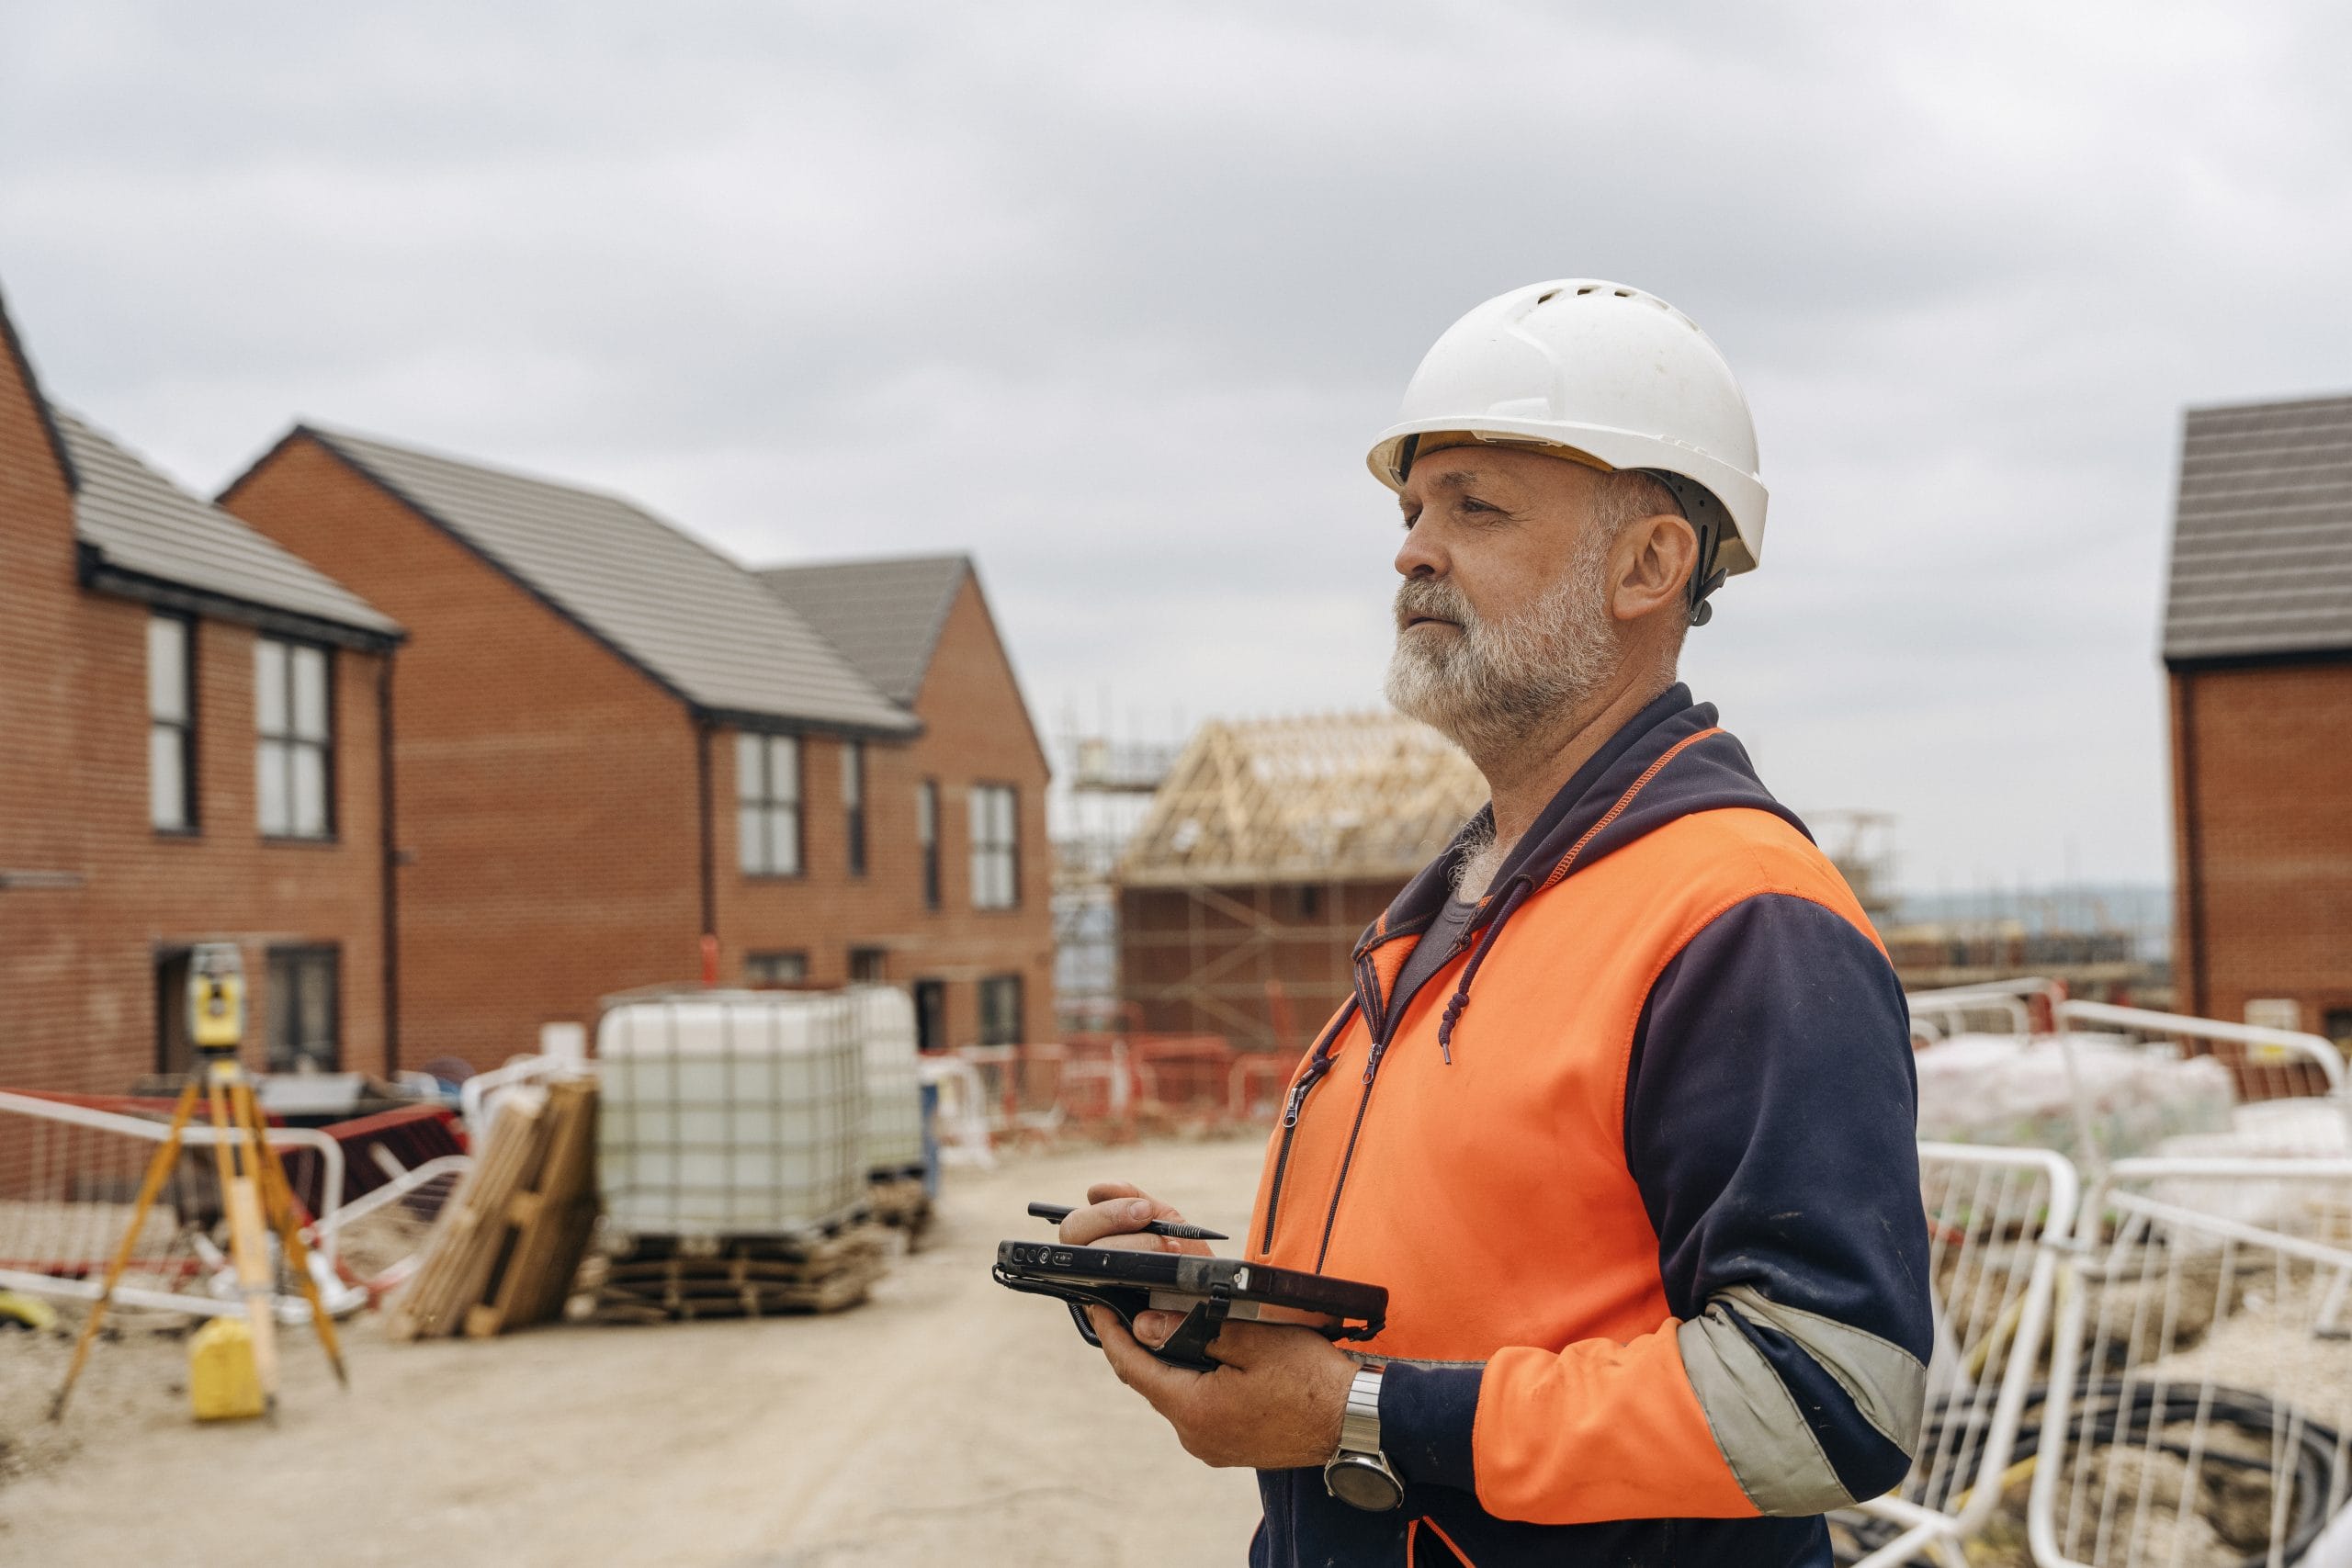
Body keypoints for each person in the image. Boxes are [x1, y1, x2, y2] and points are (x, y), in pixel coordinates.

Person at [1062, 279, 1932, 1566]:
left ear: (1650, 563)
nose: (1413, 548)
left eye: (1477, 507)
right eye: (1415, 509)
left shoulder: (1740, 920)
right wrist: (1215, 1302)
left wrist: (1358, 1412)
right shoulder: (1451, 918)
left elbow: (1828, 1403)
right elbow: (1464, 1290)